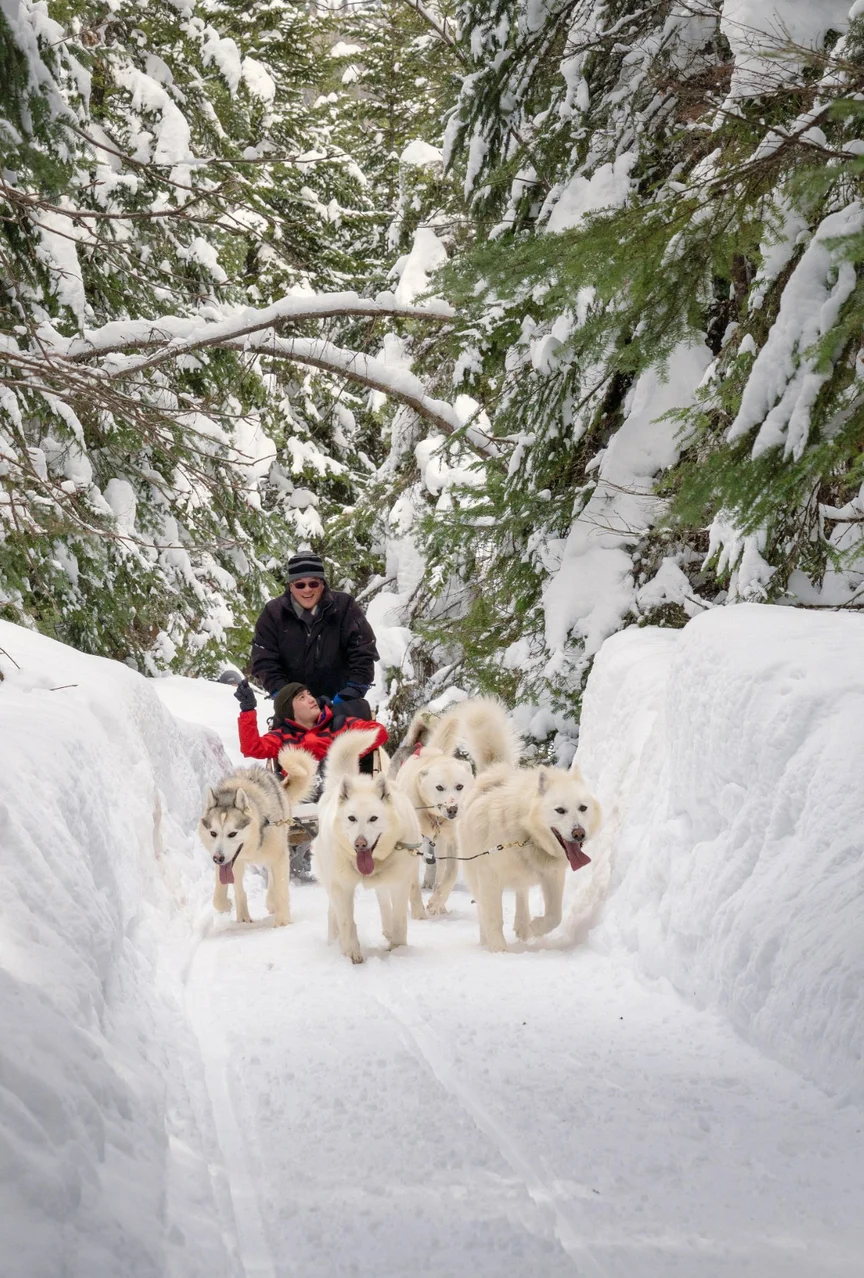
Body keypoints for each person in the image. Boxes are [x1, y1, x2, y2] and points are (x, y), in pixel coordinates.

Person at [233, 677, 388, 881]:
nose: (311, 699)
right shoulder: (282, 736)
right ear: (290, 709)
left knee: (331, 762)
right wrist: (247, 710)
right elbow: (252, 747)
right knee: (295, 768)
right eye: (302, 697)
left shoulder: (339, 724)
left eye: (309, 694)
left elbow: (379, 733)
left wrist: (348, 748)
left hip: (338, 791)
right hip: (303, 794)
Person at [250, 551, 378, 720]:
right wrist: (287, 698)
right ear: (290, 586)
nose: (307, 589)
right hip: (295, 712)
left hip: (343, 706)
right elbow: (264, 661)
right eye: (300, 585)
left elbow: (363, 652)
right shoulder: (273, 614)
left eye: (313, 583)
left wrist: (349, 694)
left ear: (322, 583)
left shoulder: (345, 607)